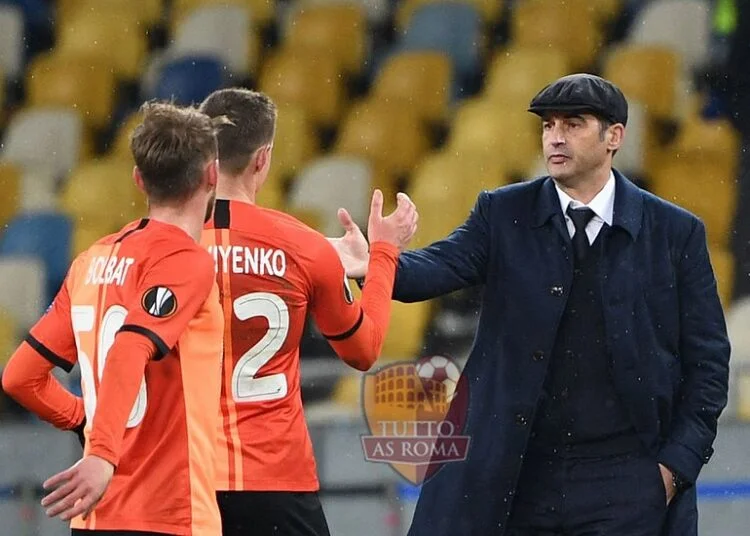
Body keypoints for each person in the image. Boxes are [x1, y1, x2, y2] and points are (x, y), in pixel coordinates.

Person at [330, 74, 730, 536]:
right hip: (517, 471)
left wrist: (673, 469)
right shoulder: (503, 212)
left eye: (573, 124)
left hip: (627, 477)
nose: (555, 137)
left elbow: (709, 363)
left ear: (614, 136)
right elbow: (439, 266)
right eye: (548, 126)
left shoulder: (675, 232)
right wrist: (377, 262)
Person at [198, 88, 418, 536]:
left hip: (182, 478)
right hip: (275, 482)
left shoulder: (154, 247)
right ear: (263, 159)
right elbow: (364, 350)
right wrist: (384, 255)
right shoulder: (302, 245)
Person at [2, 101, 228, 536]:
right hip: (170, 514)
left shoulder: (91, 260)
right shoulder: (187, 261)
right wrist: (103, 455)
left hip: (94, 517)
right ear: (212, 175)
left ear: (139, 179)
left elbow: (20, 376)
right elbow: (129, 346)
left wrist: (83, 421)